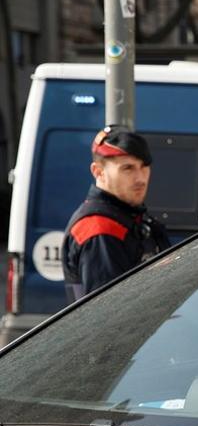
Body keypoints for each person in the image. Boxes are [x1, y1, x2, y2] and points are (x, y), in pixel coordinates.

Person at [62, 125, 170, 302]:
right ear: (98, 171)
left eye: (144, 167)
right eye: (128, 168)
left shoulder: (131, 216)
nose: (140, 178)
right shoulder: (99, 229)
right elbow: (109, 314)